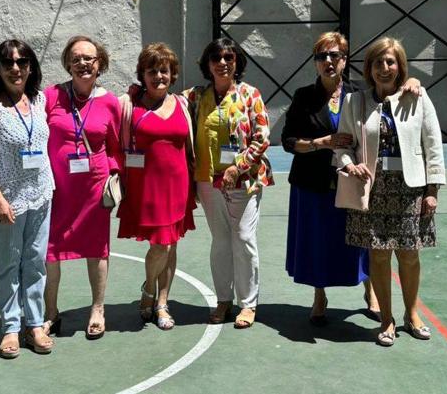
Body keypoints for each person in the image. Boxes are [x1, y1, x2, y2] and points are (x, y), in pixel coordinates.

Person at [282, 31, 421, 325]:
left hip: (357, 181)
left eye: (335, 56)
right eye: (322, 57)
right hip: (314, 182)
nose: (328, 61)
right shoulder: (304, 96)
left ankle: (370, 291)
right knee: (318, 241)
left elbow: (394, 94)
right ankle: (319, 297)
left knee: (362, 240)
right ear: (316, 62)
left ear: (345, 60)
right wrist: (323, 142)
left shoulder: (360, 93)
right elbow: (288, 141)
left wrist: (413, 82)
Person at [335, 37, 445, 347]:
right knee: (379, 257)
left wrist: (432, 189)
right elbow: (343, 147)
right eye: (378, 62)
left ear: (400, 67)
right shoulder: (353, 102)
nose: (385, 68)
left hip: (409, 189)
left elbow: (432, 145)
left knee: (409, 256)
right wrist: (349, 166)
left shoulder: (417, 97)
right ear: (369, 68)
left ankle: (412, 314)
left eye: (391, 62)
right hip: (371, 189)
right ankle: (387, 319)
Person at [0, 39, 55, 359]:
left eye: (22, 62)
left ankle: (34, 324)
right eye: (8, 63)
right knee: (7, 265)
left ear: (31, 67)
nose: (15, 68)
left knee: (35, 262)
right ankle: (10, 328)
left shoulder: (39, 100)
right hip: (7, 199)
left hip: (41, 193)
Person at [184, 37, 273, 329]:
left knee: (244, 238)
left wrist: (239, 166)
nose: (223, 63)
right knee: (221, 240)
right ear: (208, 64)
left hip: (244, 180)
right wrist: (134, 93)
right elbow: (163, 99)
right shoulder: (196, 97)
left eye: (229, 57)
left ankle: (248, 304)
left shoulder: (250, 95)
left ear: (237, 63)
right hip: (208, 181)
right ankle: (224, 299)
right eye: (216, 58)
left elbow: (262, 137)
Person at [42, 35, 122, 340]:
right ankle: (51, 312)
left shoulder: (110, 102)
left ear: (99, 63)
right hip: (57, 189)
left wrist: (113, 179)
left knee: (96, 249)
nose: (83, 63)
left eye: (89, 58)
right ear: (67, 64)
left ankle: (98, 309)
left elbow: (114, 147)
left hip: (93, 189)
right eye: (76, 58)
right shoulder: (51, 96)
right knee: (50, 251)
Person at [117, 42, 195, 330]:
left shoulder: (183, 104)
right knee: (160, 244)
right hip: (145, 187)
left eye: (164, 71)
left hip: (178, 185)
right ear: (142, 74)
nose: (158, 76)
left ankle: (162, 301)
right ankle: (149, 288)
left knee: (171, 243)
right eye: (152, 71)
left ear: (172, 74)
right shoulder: (129, 105)